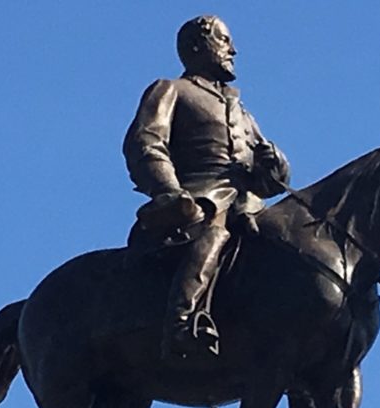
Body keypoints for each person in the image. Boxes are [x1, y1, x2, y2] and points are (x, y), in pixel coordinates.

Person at [123, 14, 290, 359]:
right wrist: (170, 192)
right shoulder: (171, 90)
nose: (234, 50)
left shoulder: (241, 110)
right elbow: (146, 142)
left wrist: (274, 164)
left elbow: (269, 181)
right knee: (213, 237)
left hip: (248, 204)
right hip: (202, 199)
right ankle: (182, 324)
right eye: (224, 40)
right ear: (199, 46)